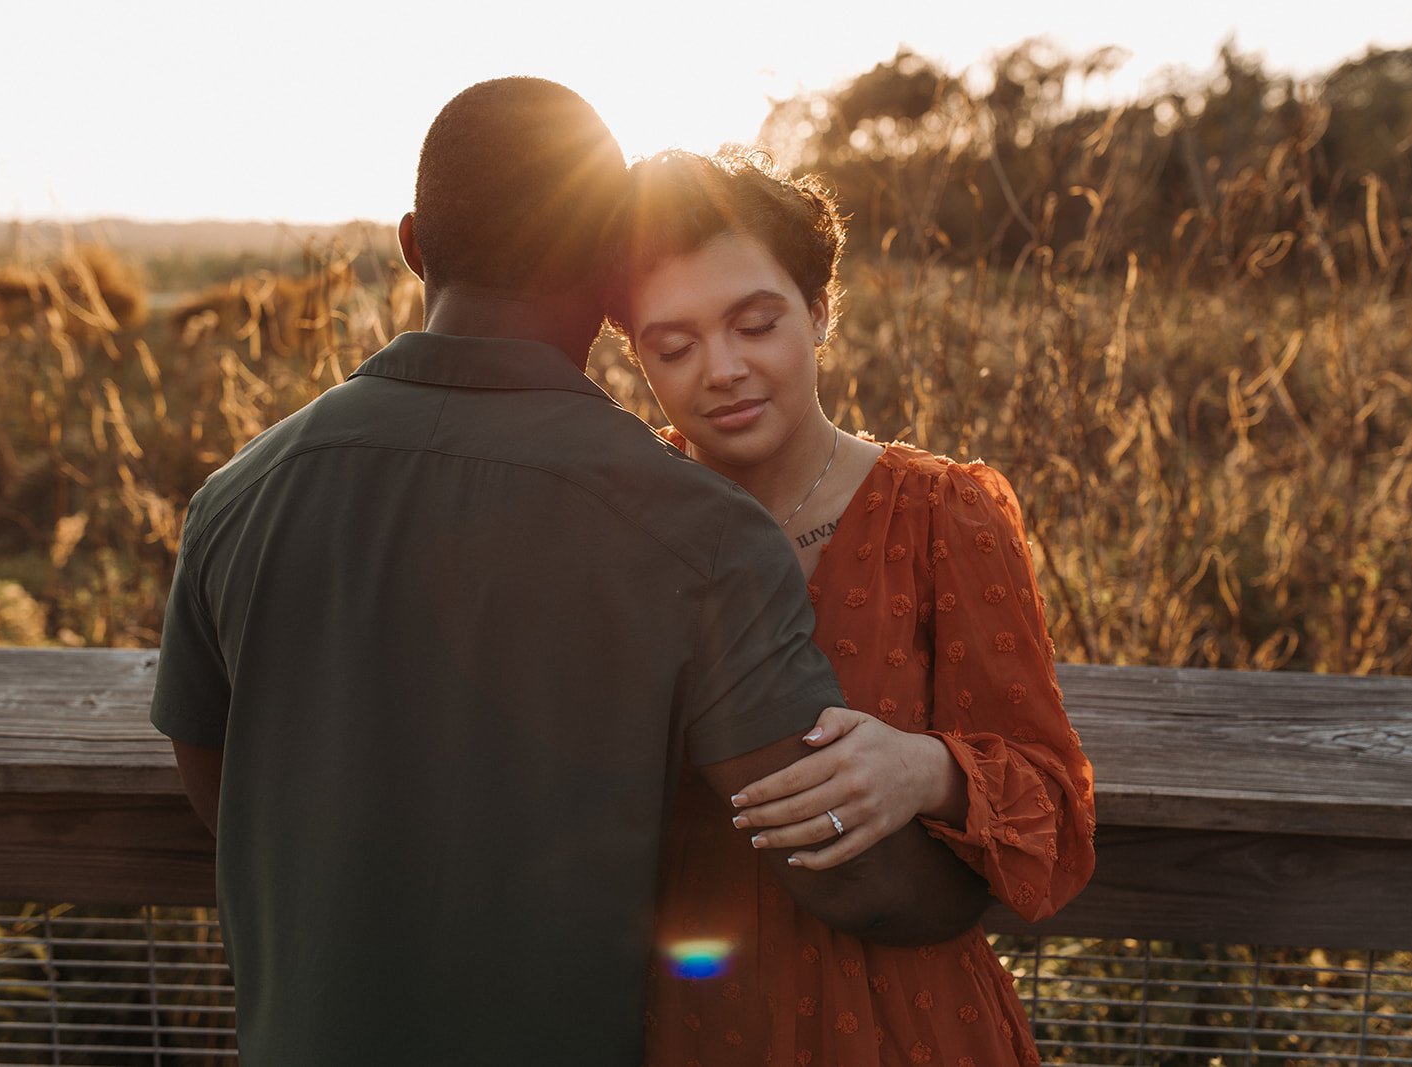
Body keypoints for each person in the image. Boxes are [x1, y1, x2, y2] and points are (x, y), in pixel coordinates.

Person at [148, 80, 989, 1066]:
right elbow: (838, 863)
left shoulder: (238, 498)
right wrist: (972, 882)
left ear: (413, 243)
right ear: (608, 269)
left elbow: (217, 784)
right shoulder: (697, 532)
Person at [607, 149, 1097, 1066]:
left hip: (904, 1016)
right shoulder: (617, 516)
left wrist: (929, 768)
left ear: (821, 310)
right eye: (672, 346)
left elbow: (1058, 808)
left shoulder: (943, 515)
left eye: (757, 324)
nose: (722, 369)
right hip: (683, 1016)